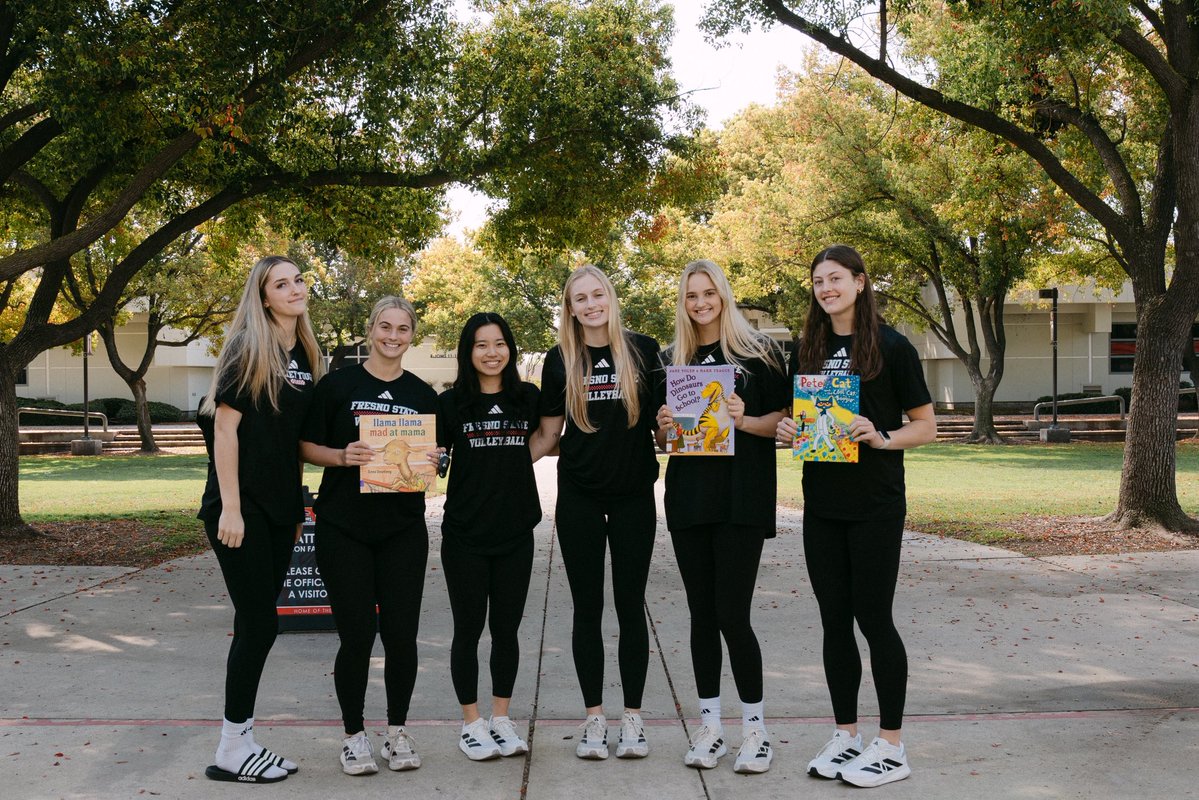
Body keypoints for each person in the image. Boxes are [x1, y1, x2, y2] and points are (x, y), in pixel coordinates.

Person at [775, 244, 936, 788]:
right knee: (833, 622)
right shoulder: (808, 351)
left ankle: (891, 745)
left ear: (861, 283)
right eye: (818, 281)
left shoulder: (892, 347)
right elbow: (797, 420)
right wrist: (787, 431)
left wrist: (881, 435)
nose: (826, 289)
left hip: (875, 506)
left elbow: (926, 426)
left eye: (836, 278)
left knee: (874, 619)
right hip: (822, 505)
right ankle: (846, 735)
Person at [653, 259, 789, 774]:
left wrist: (743, 418)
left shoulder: (760, 353)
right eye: (692, 295)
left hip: (741, 500)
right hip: (689, 500)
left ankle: (755, 731)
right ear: (683, 302)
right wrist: (665, 426)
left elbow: (781, 419)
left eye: (709, 293)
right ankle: (710, 727)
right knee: (701, 617)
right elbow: (663, 441)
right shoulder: (671, 360)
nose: (701, 303)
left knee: (733, 614)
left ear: (724, 296)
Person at [197, 255, 324, 784]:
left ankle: (242, 739)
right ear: (264, 296)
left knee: (255, 625)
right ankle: (230, 747)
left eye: (298, 279)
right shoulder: (249, 348)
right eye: (281, 283)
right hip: (238, 510)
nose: (294, 288)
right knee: (260, 624)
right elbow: (224, 432)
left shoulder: (305, 354)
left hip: (278, 510)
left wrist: (295, 508)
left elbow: (291, 442)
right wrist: (231, 507)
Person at [299, 296, 438, 776]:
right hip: (344, 528)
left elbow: (434, 460)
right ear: (370, 329)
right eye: (385, 326)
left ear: (412, 335)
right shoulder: (336, 385)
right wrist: (342, 457)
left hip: (402, 529)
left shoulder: (423, 395)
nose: (393, 336)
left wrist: (435, 461)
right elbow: (306, 444)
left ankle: (397, 732)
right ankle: (354, 734)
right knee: (356, 637)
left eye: (403, 328)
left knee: (402, 637)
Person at [530, 264, 661, 760]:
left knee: (631, 606)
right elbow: (546, 434)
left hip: (633, 497)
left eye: (596, 294)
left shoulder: (644, 350)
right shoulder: (559, 359)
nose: (589, 304)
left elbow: (665, 430)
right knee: (587, 609)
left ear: (610, 297)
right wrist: (494, 462)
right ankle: (593, 720)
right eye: (579, 298)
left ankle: (632, 719)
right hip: (580, 498)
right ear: (570, 308)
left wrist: (681, 426)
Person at [431, 312, 542, 761]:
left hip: (516, 531)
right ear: (468, 351)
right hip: (465, 534)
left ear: (510, 348)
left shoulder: (528, 398)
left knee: (507, 630)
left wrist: (515, 466)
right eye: (481, 345)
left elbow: (550, 435)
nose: (491, 352)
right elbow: (430, 455)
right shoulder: (451, 402)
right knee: (468, 630)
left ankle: (501, 717)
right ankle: (471, 723)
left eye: (499, 343)